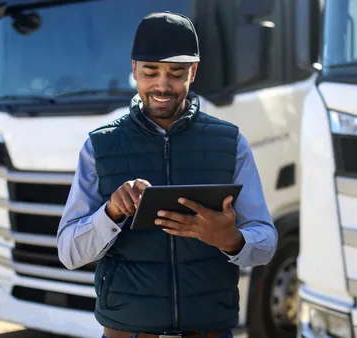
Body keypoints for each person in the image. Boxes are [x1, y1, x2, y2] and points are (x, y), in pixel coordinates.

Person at [56, 11, 278, 338]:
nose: (162, 85)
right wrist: (111, 212)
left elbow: (267, 241)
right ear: (133, 70)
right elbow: (69, 253)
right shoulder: (98, 146)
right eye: (150, 72)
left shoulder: (232, 144)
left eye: (176, 73)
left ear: (194, 72)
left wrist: (231, 240)